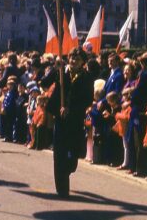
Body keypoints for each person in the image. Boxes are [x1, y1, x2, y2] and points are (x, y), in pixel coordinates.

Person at [47, 47, 93, 198]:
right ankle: (62, 189)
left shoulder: (87, 78)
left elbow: (87, 99)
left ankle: (67, 169)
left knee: (73, 155)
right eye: (72, 58)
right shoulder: (61, 73)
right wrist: (56, 68)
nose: (73, 61)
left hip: (75, 120)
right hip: (60, 120)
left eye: (77, 59)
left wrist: (70, 109)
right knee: (59, 154)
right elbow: (44, 83)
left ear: (83, 62)